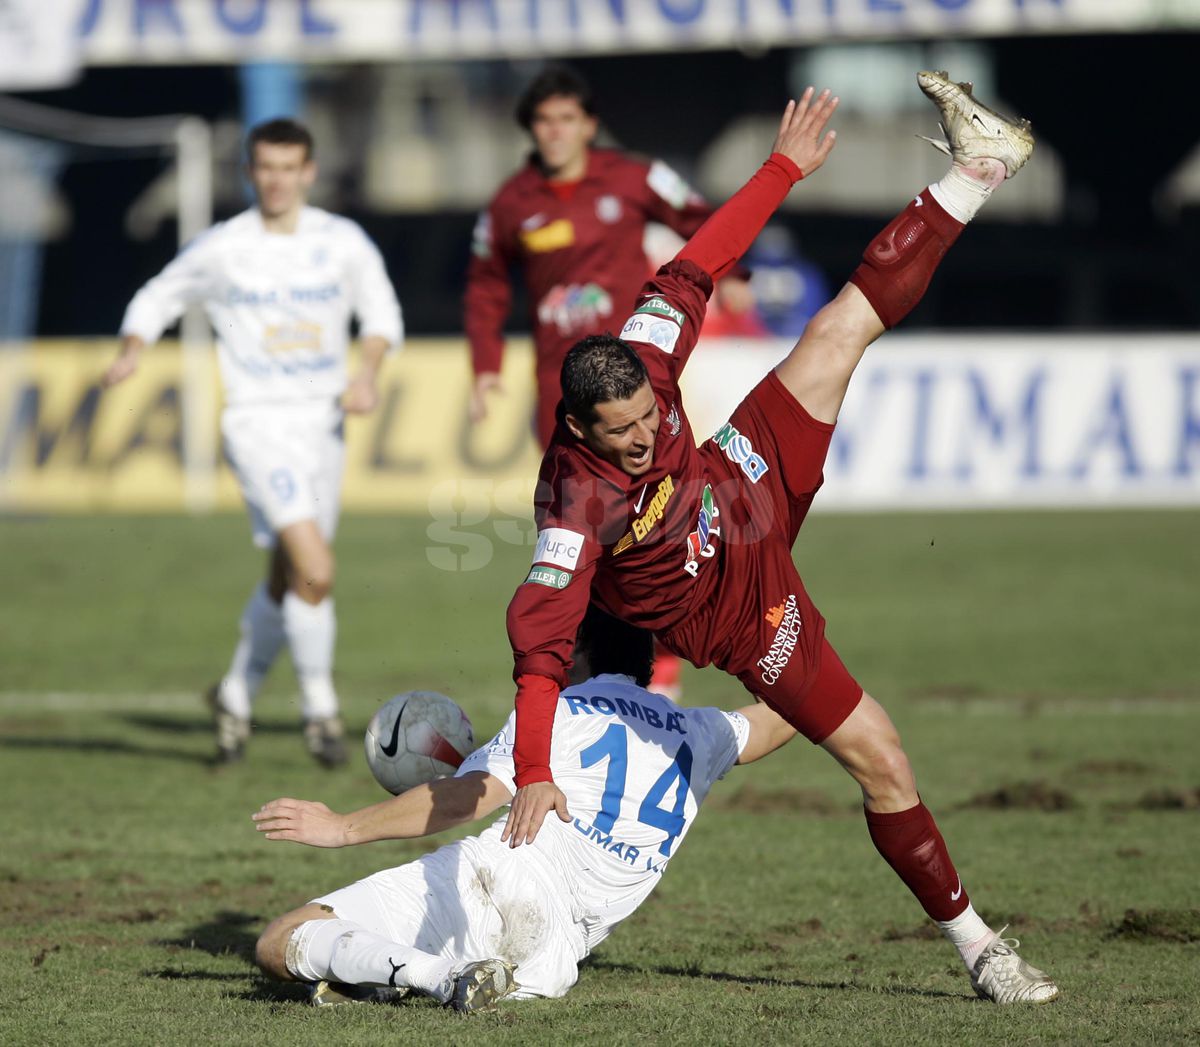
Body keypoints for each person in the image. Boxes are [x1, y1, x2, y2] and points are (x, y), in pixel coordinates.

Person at [502, 74, 1059, 1005]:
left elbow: (696, 263)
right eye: (625, 431)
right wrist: (527, 770)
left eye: (650, 413)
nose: (644, 434)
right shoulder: (571, 501)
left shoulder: (644, 351)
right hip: (741, 608)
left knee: (841, 326)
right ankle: (979, 946)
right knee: (881, 756)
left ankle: (977, 171)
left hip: (740, 481)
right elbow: (537, 648)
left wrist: (781, 168)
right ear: (581, 428)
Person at [251, 607, 799, 1011]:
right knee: (365, 950)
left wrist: (341, 828)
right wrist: (790, 637)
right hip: (552, 960)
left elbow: (470, 796)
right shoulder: (698, 732)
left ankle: (441, 977)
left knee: (280, 941)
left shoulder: (557, 710)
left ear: (578, 646)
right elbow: (788, 712)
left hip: (493, 882)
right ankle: (413, 976)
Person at [103, 118, 403, 767]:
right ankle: (319, 709)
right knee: (316, 568)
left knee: (288, 574)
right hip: (256, 423)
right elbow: (160, 294)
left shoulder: (340, 240)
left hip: (322, 425)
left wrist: (368, 373)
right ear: (250, 172)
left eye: (289, 167)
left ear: (308, 172)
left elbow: (380, 313)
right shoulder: (224, 246)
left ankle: (236, 695)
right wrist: (133, 348)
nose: (276, 179)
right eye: (265, 167)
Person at [465, 65, 743, 697]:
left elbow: (698, 216)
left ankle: (659, 669)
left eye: (567, 118)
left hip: (636, 392)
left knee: (664, 522)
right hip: (562, 401)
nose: (555, 131)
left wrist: (737, 269)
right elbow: (484, 287)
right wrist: (484, 366)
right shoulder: (511, 203)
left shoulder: (635, 176)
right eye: (543, 121)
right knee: (584, 534)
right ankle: (600, 672)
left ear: (589, 124)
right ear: (530, 130)